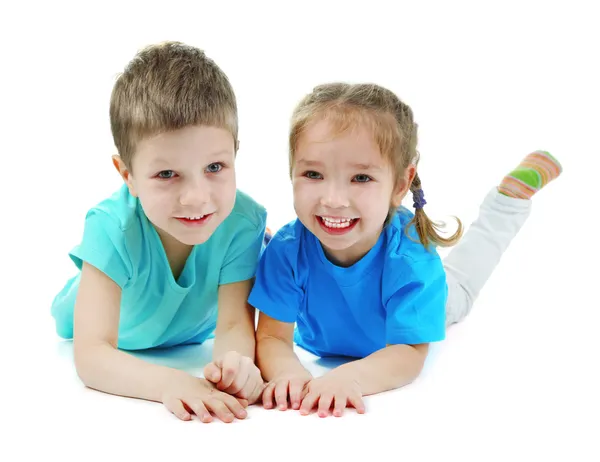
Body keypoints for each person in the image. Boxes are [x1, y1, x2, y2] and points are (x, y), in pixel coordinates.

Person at [247, 82, 562, 417]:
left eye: (361, 178)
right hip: (335, 306)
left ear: (399, 185)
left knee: (461, 283)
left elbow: (409, 352)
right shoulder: (285, 251)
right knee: (273, 250)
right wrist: (288, 375)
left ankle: (507, 203)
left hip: (423, 304)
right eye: (313, 174)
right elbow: (272, 338)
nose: (333, 200)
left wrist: (348, 378)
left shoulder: (411, 261)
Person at [51, 41, 267, 423]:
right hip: (110, 323)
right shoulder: (111, 227)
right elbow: (92, 356)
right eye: (167, 174)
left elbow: (234, 324)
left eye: (215, 167)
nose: (197, 199)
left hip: (183, 332)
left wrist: (236, 366)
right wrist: (174, 383)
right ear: (127, 175)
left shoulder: (244, 223)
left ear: (236, 153)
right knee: (74, 309)